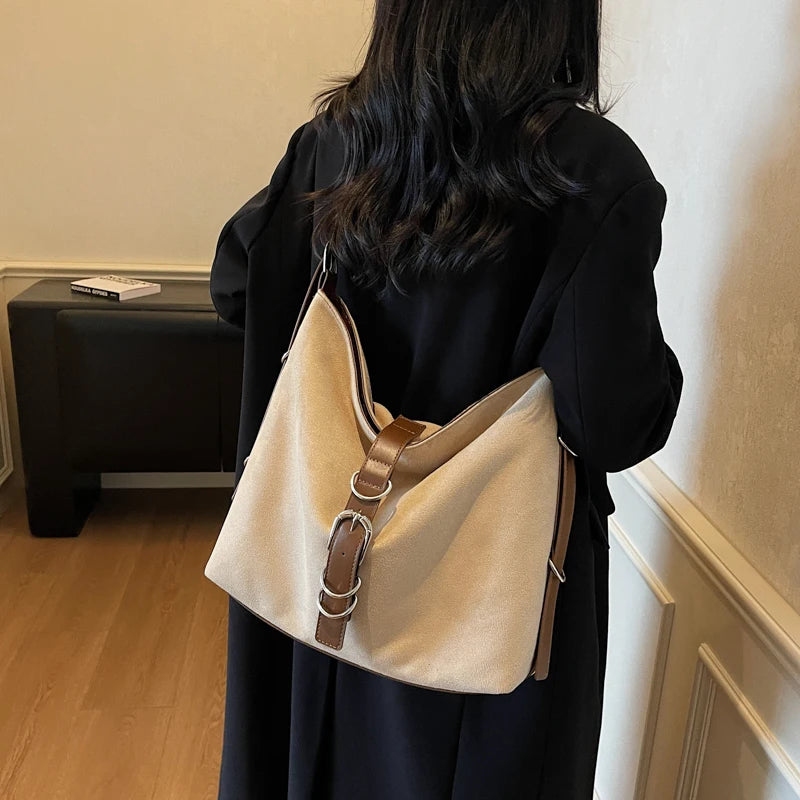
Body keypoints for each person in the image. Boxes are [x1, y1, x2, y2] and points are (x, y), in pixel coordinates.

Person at [209, 1, 683, 797]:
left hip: (324, 572)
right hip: (488, 601)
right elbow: (611, 421)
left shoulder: (335, 143)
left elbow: (234, 285)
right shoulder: (591, 171)